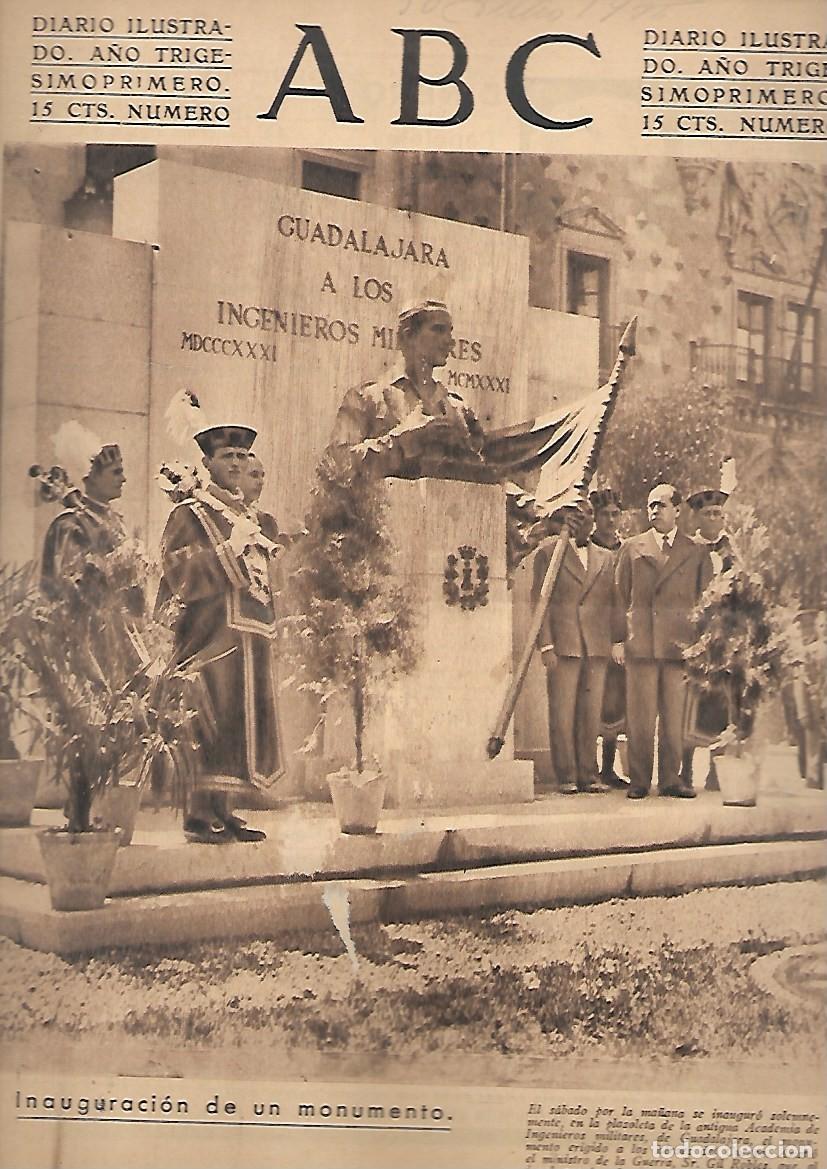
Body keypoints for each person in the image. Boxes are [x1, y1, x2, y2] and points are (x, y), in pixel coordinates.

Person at [156, 425, 284, 844]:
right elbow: (179, 574)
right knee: (208, 723)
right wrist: (229, 550)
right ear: (208, 463)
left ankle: (224, 810)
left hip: (248, 636)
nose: (237, 464)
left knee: (238, 725)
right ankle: (197, 813)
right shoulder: (189, 514)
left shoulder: (249, 517)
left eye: (243, 457)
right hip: (208, 638)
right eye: (228, 456)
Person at [614, 483, 713, 799]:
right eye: (650, 506)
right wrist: (618, 640)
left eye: (661, 505)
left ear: (678, 510)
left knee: (673, 718)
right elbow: (618, 598)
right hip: (641, 644)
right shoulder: (631, 548)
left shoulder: (696, 552)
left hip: (678, 648)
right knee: (640, 717)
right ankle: (639, 780)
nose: (654, 511)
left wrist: (701, 647)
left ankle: (671, 779)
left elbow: (705, 603)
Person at [533, 500, 619, 794]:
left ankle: (588, 774)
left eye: (588, 515)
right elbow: (539, 602)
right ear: (567, 519)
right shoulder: (549, 554)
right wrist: (545, 644)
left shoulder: (607, 558)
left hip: (596, 645)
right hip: (564, 643)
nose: (584, 521)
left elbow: (614, 604)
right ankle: (566, 774)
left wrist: (617, 640)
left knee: (591, 711)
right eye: (577, 516)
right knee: (563, 711)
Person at [681, 486, 734, 790]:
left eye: (718, 513)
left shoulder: (734, 551)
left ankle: (717, 771)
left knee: (724, 705)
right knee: (691, 705)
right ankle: (685, 770)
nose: (715, 519)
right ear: (697, 518)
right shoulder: (688, 550)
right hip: (695, 639)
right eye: (708, 514)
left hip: (725, 641)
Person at [41, 442, 127, 591]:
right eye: (116, 472)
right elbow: (69, 588)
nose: (123, 478)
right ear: (91, 477)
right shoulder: (69, 524)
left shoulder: (116, 521)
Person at [589, 487, 628, 789]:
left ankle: (608, 767)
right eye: (605, 514)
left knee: (615, 701)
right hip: (591, 632)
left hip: (620, 634)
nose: (611, 520)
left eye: (615, 514)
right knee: (591, 700)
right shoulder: (587, 548)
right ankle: (587, 766)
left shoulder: (626, 549)